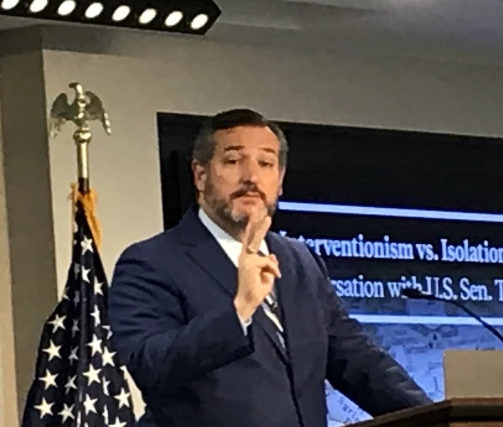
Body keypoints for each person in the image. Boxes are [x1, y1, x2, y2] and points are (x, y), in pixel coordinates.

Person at [107, 108, 433, 427]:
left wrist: (437, 417)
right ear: (200, 175)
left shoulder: (300, 261)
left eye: (266, 163)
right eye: (233, 161)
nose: (251, 177)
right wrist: (240, 311)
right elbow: (151, 365)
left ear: (279, 181)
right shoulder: (151, 262)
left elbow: (355, 359)